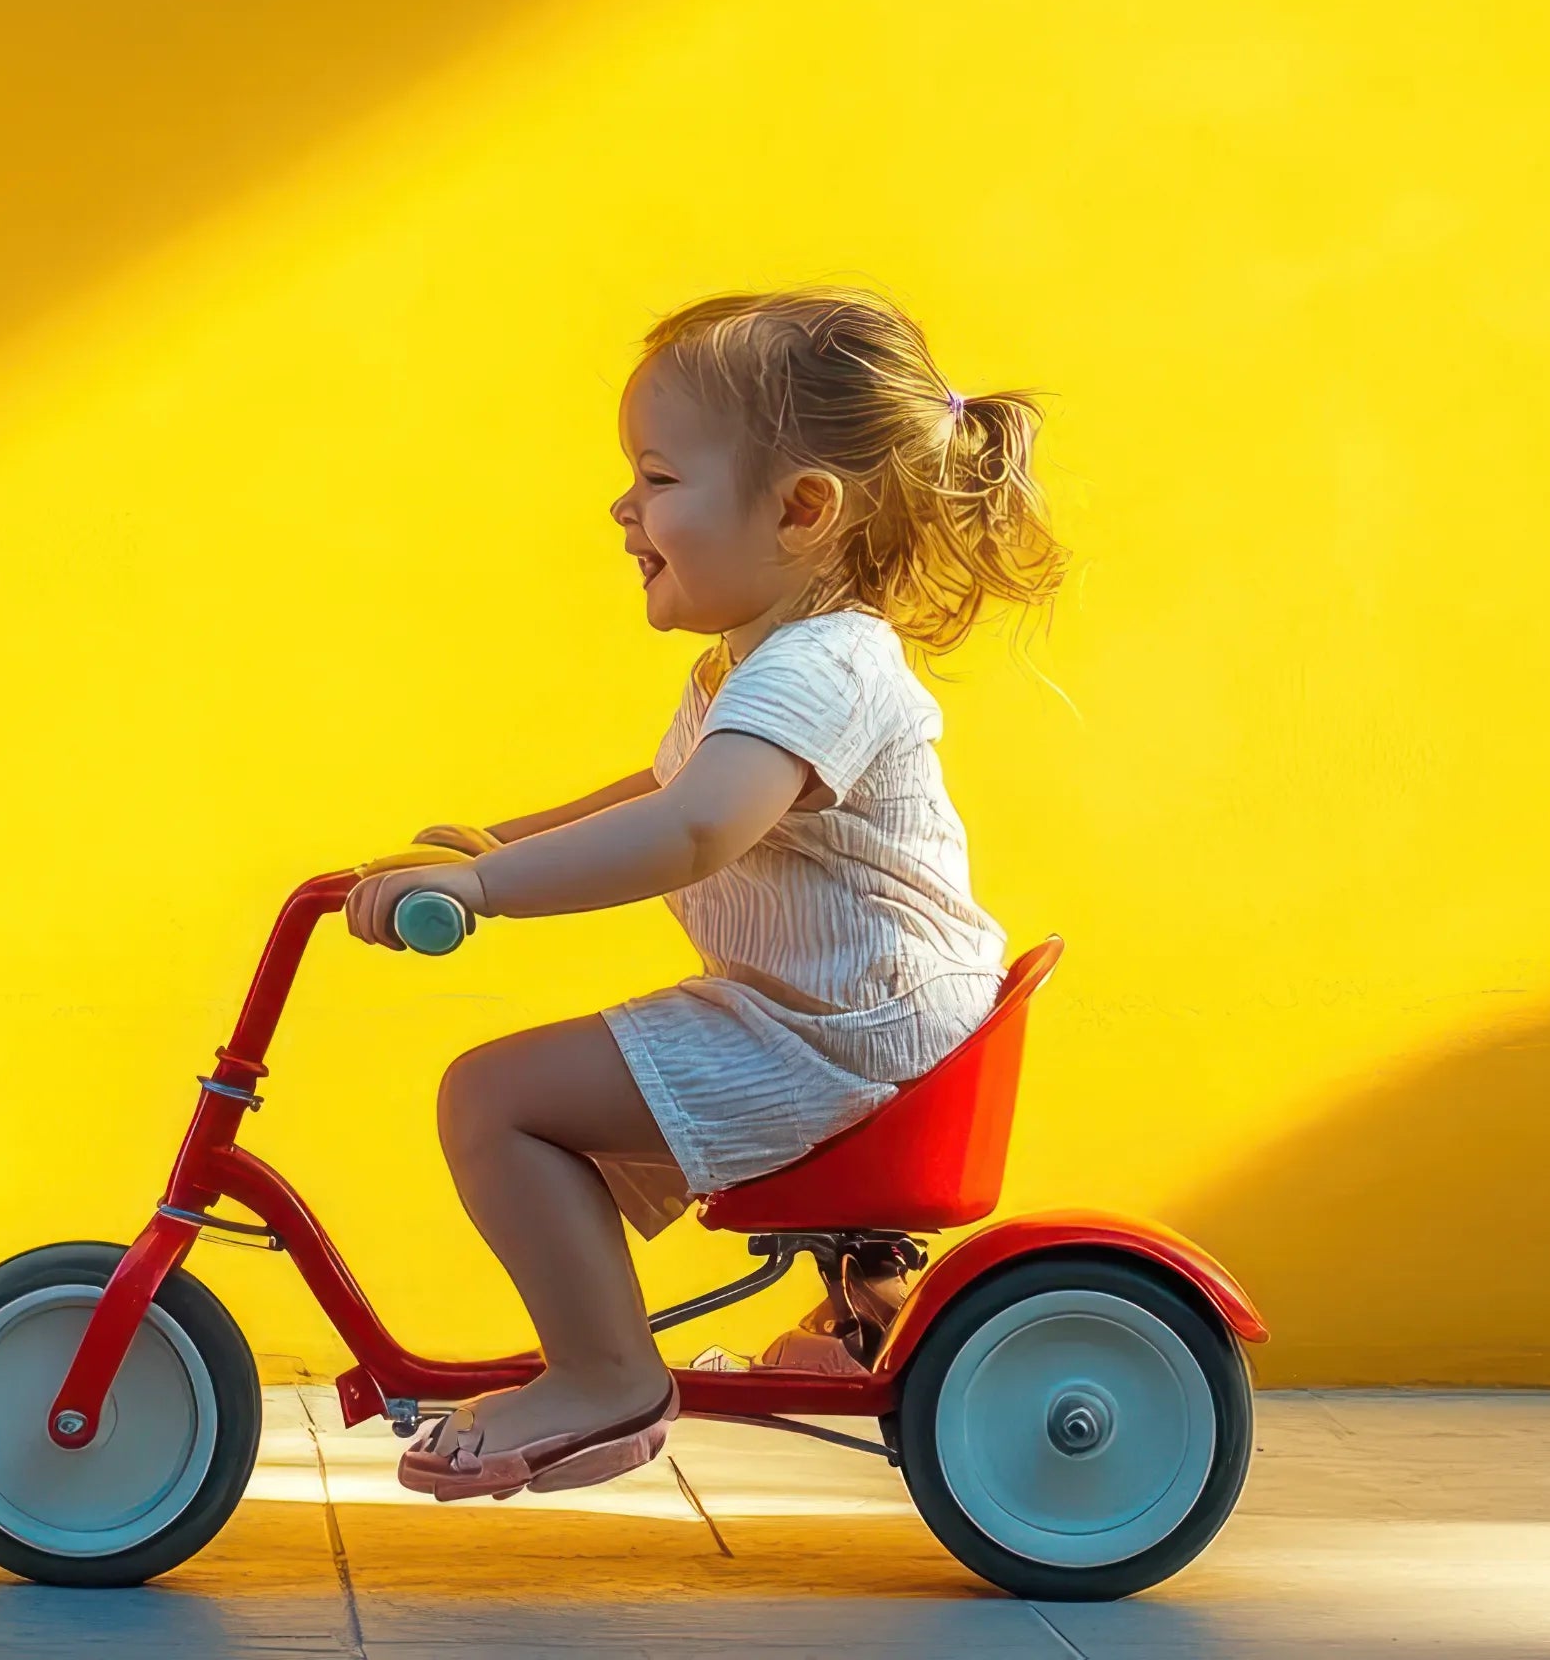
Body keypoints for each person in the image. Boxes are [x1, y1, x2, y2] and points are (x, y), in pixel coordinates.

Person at [350, 285, 1063, 1500]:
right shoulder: (754, 664)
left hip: (844, 1027)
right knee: (530, 1089)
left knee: (493, 1097)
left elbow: (691, 829)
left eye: (659, 476)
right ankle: (865, 1303)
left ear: (800, 510)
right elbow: (666, 788)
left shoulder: (824, 664)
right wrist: (492, 839)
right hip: (832, 1008)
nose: (623, 506)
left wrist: (486, 887)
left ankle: (604, 1373)